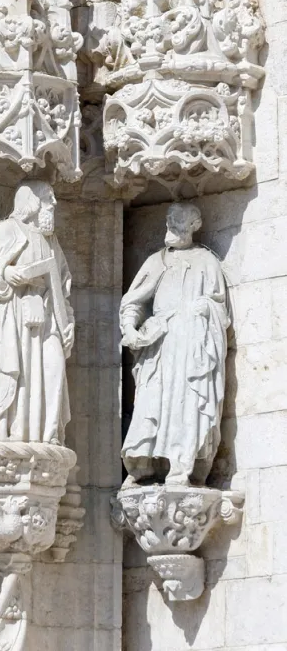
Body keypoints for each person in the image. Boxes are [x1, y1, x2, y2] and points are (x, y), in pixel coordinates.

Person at [121, 203, 230, 486]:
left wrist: (205, 309)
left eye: (178, 223)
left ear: (193, 225)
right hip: (160, 346)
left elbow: (221, 310)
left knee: (187, 404)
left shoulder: (207, 262)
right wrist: (130, 329)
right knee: (151, 403)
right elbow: (133, 301)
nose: (171, 228)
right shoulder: (157, 261)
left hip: (193, 346)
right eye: (169, 222)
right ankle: (141, 466)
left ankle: (181, 465)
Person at [0, 181, 75, 444]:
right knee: (16, 372)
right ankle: (7, 430)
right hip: (13, 316)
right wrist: (6, 273)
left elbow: (62, 285)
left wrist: (67, 322)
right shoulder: (6, 231)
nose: (53, 204)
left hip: (48, 317)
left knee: (54, 368)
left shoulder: (51, 241)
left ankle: (48, 434)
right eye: (48, 199)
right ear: (32, 202)